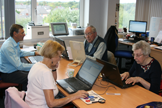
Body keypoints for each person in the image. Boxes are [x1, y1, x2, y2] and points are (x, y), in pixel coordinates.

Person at [25, 40, 88, 108]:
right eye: (59, 56)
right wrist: (74, 95)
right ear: (53, 55)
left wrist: (54, 68)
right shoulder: (45, 72)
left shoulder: (37, 65)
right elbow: (51, 104)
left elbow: (52, 83)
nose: (60, 59)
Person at [0, 24, 39, 91]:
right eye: (22, 33)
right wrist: (37, 65)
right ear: (15, 34)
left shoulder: (13, 42)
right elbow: (19, 66)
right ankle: (25, 97)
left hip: (13, 69)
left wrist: (34, 53)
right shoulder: (8, 47)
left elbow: (20, 53)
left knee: (34, 72)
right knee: (31, 76)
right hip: (8, 74)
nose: (24, 34)